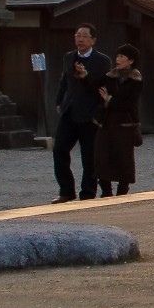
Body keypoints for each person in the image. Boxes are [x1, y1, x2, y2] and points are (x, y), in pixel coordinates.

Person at [50, 23, 111, 203]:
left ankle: (88, 193)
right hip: (70, 110)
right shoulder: (69, 57)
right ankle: (66, 190)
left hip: (90, 113)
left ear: (93, 40)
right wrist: (59, 101)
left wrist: (86, 76)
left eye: (85, 35)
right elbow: (64, 81)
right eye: (78, 35)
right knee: (59, 150)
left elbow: (101, 85)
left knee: (89, 156)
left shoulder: (102, 60)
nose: (80, 39)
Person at [93, 43, 144, 196]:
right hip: (106, 121)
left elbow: (130, 102)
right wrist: (82, 75)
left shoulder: (136, 79)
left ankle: (123, 189)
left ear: (130, 60)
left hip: (125, 123)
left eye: (122, 56)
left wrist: (110, 100)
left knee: (124, 158)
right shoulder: (110, 75)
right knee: (101, 156)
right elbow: (93, 86)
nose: (118, 59)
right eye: (118, 56)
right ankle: (106, 191)